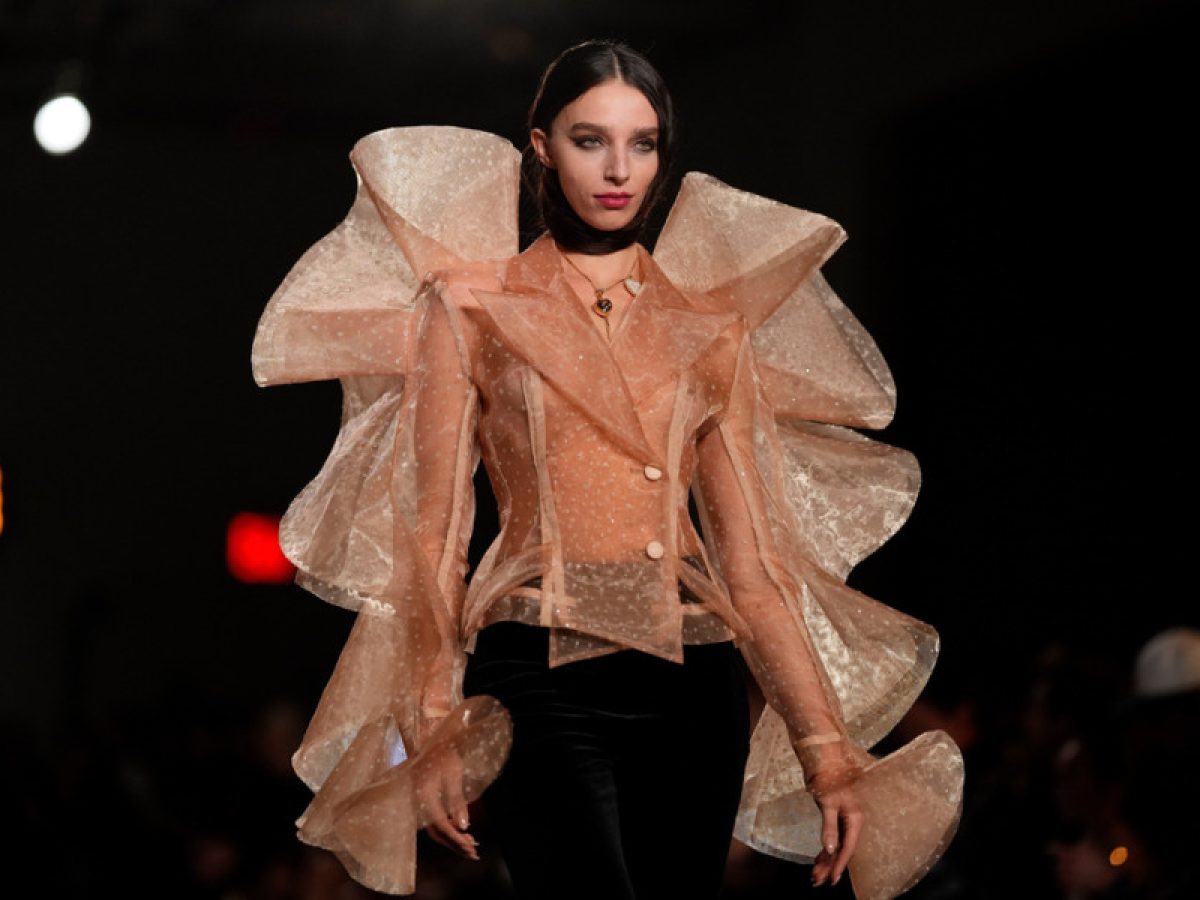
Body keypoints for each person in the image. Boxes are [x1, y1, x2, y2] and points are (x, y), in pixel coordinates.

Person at [251, 39, 964, 900]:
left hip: (694, 680)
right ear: (543, 147)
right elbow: (435, 533)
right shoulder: (471, 305)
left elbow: (751, 566)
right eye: (590, 140)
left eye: (643, 143)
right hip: (534, 666)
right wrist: (434, 723)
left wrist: (826, 751)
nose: (619, 169)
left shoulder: (708, 327)